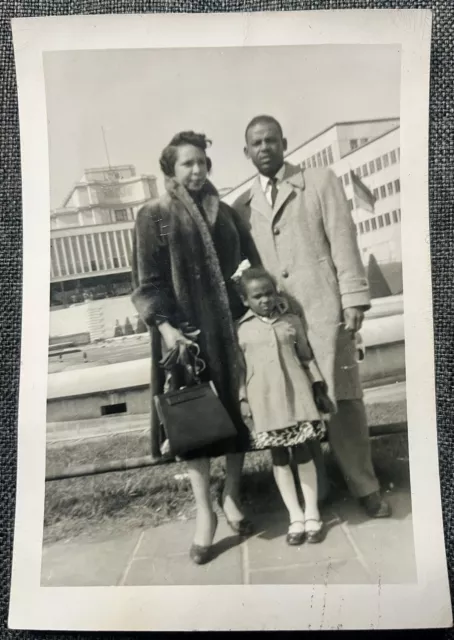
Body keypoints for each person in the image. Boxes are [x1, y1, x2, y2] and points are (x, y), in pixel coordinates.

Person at [233, 115, 391, 518]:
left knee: (344, 399)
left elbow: (343, 241)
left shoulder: (319, 182)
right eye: (256, 143)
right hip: (282, 327)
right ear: (246, 152)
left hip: (325, 312)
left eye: (271, 140)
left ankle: (365, 486)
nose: (264, 147)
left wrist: (353, 299)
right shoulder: (243, 207)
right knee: (298, 403)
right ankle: (315, 493)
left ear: (284, 142)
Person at [131, 131, 261, 565]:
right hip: (183, 337)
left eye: (203, 162)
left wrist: (249, 306)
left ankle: (232, 496)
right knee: (196, 426)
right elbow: (147, 283)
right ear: (170, 168)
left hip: (228, 332)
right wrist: (167, 329)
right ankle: (204, 514)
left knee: (235, 419)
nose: (197, 170)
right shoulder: (155, 215)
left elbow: (251, 264)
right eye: (187, 163)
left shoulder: (224, 214)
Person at [236, 266, 333, 544]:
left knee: (303, 452)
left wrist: (317, 385)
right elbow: (240, 370)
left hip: (297, 397)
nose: (264, 300)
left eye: (268, 293)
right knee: (278, 456)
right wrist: (243, 399)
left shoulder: (291, 321)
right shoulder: (241, 329)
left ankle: (312, 512)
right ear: (246, 300)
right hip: (264, 401)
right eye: (257, 296)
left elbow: (306, 356)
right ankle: (295, 517)